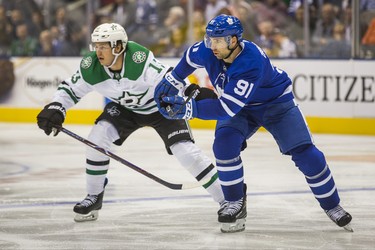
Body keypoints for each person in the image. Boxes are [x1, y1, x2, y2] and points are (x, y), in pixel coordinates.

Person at [154, 14, 353, 233]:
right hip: (240, 108)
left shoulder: (251, 61)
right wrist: (171, 81)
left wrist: (188, 109)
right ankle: (233, 202)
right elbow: (188, 60)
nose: (212, 45)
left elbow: (225, 109)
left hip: (276, 105)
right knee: (224, 145)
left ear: (234, 40)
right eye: (210, 39)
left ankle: (332, 205)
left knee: (308, 156)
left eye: (218, 40)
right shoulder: (206, 49)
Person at [36, 23, 224, 222]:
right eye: (96, 46)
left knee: (186, 152)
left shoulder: (139, 60)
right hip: (126, 110)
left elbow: (169, 77)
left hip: (161, 107)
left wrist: (189, 91)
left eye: (103, 46)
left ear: (118, 47)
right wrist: (56, 107)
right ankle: (94, 196)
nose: (97, 51)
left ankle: (227, 199)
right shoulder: (91, 66)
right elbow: (70, 89)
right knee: (97, 140)